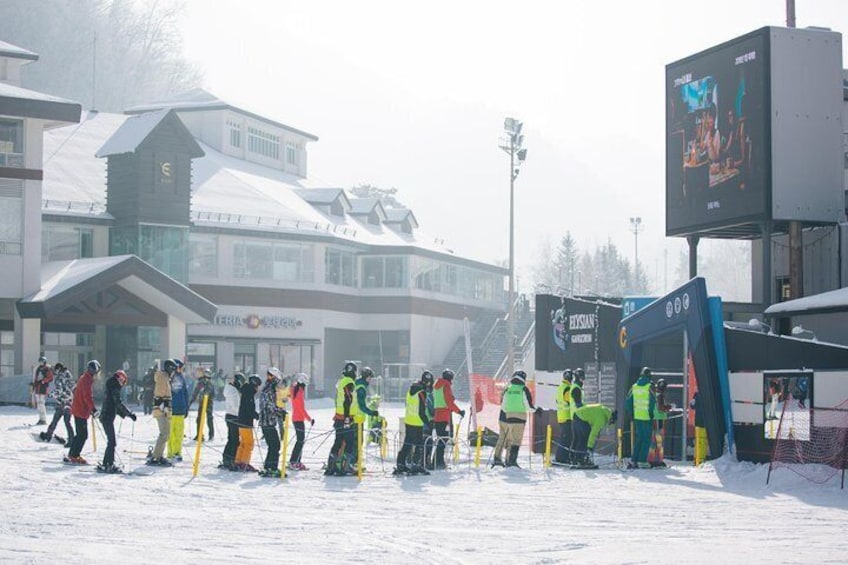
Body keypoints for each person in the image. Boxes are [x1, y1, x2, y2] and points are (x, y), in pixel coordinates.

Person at [492, 370, 541, 468]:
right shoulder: (523, 389)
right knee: (515, 440)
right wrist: (536, 410)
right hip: (519, 417)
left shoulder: (507, 388)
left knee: (502, 438)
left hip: (506, 416)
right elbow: (528, 406)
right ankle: (511, 461)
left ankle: (497, 458)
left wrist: (509, 412)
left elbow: (503, 405)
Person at [96, 370, 137, 473]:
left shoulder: (112, 386)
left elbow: (114, 404)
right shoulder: (114, 387)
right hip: (107, 417)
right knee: (112, 442)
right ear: (119, 378)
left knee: (112, 442)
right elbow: (118, 403)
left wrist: (123, 414)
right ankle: (108, 464)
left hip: (107, 416)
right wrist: (129, 414)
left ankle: (108, 462)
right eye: (123, 381)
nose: (122, 384)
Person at [394, 371, 432, 475]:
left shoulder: (411, 390)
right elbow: (421, 410)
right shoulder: (421, 392)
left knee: (407, 444)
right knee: (419, 444)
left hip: (408, 421)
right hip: (417, 422)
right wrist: (428, 422)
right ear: (428, 382)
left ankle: (400, 464)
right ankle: (416, 464)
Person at [325, 362, 358, 476]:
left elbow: (340, 400)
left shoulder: (341, 382)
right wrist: (348, 417)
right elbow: (348, 400)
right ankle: (346, 466)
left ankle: (331, 466)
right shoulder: (349, 382)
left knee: (338, 442)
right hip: (346, 417)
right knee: (349, 442)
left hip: (339, 416)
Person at [65, 360, 100, 465]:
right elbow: (87, 397)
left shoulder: (85, 378)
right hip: (80, 411)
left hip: (79, 409)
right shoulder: (86, 380)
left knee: (80, 434)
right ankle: (74, 455)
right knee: (83, 435)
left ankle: (72, 453)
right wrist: (93, 409)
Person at [432, 369, 465, 469]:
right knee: (443, 439)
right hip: (444, 416)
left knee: (441, 439)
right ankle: (438, 462)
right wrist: (459, 411)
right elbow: (449, 403)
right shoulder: (446, 386)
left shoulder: (437, 386)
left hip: (437, 414)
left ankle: (437, 461)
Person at [258, 367, 287, 477]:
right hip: (267, 421)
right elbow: (270, 405)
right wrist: (280, 412)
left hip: (268, 421)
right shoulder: (270, 388)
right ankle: (272, 468)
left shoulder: (269, 387)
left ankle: (268, 466)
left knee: (272, 445)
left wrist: (280, 411)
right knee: (275, 445)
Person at [626, 367, 656, 469]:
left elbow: (628, 402)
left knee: (639, 438)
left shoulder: (634, 386)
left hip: (637, 416)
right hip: (647, 417)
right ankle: (642, 461)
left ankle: (634, 459)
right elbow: (652, 402)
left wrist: (631, 413)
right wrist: (651, 413)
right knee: (646, 439)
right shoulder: (650, 386)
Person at [571, 403, 617, 469]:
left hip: (577, 414)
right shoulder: (601, 419)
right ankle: (581, 460)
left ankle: (573, 458)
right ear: (611, 419)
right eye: (611, 423)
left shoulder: (604, 410)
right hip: (581, 418)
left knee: (578, 438)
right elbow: (593, 434)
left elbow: (592, 420)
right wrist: (590, 447)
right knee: (585, 439)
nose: (610, 424)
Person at [40, 362, 75, 445]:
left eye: (55, 370)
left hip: (62, 402)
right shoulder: (69, 375)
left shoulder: (60, 377)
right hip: (69, 402)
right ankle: (71, 438)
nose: (55, 372)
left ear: (58, 369)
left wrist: (50, 395)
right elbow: (72, 387)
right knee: (67, 421)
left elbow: (59, 390)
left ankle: (48, 435)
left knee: (55, 419)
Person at [147, 359, 174, 466]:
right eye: (172, 369)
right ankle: (155, 457)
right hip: (161, 410)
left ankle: (159, 455)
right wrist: (164, 407)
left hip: (164, 410)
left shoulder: (166, 377)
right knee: (164, 433)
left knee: (166, 433)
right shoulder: (162, 378)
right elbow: (159, 395)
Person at [353, 367, 379, 469]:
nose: (371, 380)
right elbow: (361, 406)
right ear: (367, 377)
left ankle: (352, 462)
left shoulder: (357, 383)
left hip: (353, 417)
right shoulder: (361, 388)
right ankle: (354, 463)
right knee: (358, 442)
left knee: (354, 442)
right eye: (370, 377)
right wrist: (372, 412)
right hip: (357, 418)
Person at [234, 375, 261, 472]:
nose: (258, 389)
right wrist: (256, 415)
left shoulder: (246, 391)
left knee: (243, 443)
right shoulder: (249, 393)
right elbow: (249, 408)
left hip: (241, 421)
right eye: (257, 386)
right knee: (249, 443)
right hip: (246, 422)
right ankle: (244, 463)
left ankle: (238, 461)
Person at [289, 372, 314, 470]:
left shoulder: (296, 390)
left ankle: (296, 461)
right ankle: (294, 461)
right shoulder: (298, 393)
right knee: (300, 441)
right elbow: (301, 409)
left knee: (300, 441)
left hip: (297, 419)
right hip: (298, 419)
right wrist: (309, 419)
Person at [220, 372, 245, 470]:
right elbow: (236, 406)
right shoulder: (233, 391)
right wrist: (241, 414)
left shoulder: (230, 390)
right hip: (234, 416)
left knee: (231, 438)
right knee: (235, 440)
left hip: (229, 416)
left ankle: (226, 458)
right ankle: (230, 459)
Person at [167, 359, 189, 462]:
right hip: (172, 409)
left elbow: (185, 393)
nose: (182, 370)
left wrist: (186, 407)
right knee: (171, 432)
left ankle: (177, 452)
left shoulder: (182, 378)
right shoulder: (169, 378)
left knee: (179, 432)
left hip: (180, 409)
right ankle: (170, 452)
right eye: (181, 367)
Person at [648, 378, 672, 468]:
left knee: (653, 442)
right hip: (659, 421)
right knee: (659, 442)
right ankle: (659, 461)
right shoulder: (660, 396)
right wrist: (668, 407)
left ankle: (651, 460)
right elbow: (661, 408)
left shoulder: (653, 395)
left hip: (653, 419)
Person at [554, 369, 574, 465]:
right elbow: (570, 402)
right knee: (566, 439)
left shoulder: (560, 387)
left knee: (563, 438)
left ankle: (561, 456)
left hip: (561, 416)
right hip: (567, 417)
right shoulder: (568, 389)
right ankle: (562, 457)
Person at [190, 369, 215, 441]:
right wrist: (192, 400)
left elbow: (209, 392)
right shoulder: (201, 382)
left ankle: (211, 435)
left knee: (209, 419)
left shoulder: (209, 383)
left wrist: (205, 395)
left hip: (208, 403)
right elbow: (196, 391)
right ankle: (200, 435)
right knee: (199, 419)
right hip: (202, 403)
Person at [32, 356, 54, 425]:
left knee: (41, 403)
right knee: (38, 404)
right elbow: (36, 377)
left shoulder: (47, 368)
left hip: (43, 387)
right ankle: (41, 418)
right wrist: (34, 384)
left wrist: (44, 381)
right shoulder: (38, 368)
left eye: (42, 361)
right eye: (40, 361)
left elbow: (50, 378)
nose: (41, 363)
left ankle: (43, 419)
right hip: (37, 387)